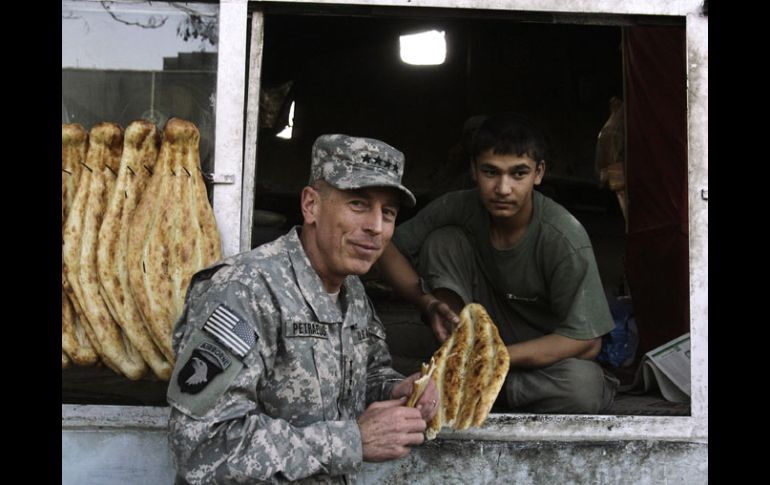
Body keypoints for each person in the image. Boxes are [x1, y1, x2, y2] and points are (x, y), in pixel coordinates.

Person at [167, 134, 438, 484]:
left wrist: (397, 390)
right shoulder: (243, 290)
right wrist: (353, 440)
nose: (376, 227)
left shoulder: (352, 290)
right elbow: (200, 445)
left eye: (388, 213)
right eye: (358, 204)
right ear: (311, 205)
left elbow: (366, 375)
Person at [377, 112, 619, 414]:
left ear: (539, 173)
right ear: (474, 171)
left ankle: (463, 389)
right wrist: (425, 302)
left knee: (583, 387)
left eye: (518, 174)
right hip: (471, 349)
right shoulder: (458, 207)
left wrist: (493, 356)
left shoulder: (563, 237)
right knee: (444, 239)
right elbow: (383, 247)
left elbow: (587, 343)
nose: (503, 189)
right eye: (491, 172)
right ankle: (456, 368)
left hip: (538, 360)